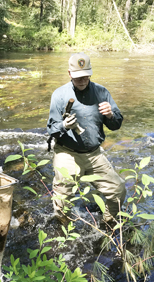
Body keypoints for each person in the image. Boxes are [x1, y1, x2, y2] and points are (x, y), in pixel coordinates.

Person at [47, 53, 126, 224]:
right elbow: (51, 129)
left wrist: (111, 115)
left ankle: (108, 226)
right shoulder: (59, 95)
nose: (82, 80)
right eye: (77, 77)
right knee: (61, 201)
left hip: (94, 154)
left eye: (85, 76)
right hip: (67, 153)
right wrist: (64, 126)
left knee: (118, 191)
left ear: (90, 73)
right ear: (69, 74)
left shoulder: (101, 92)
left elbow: (116, 125)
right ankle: (66, 235)